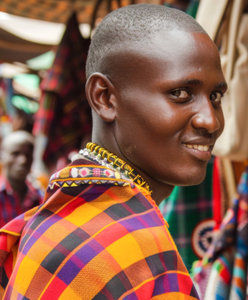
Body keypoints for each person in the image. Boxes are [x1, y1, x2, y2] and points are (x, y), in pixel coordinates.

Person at [0, 4, 226, 299]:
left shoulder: (60, 220)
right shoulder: (132, 248)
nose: (210, 120)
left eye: (216, 96)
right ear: (104, 98)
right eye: (180, 94)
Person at [0, 130, 42, 227]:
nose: (23, 160)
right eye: (15, 154)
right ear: (2, 156)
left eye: (28, 155)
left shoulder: (38, 196)